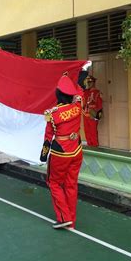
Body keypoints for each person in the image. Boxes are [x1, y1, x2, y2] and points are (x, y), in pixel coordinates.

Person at [40, 62, 90, 229]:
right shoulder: (77, 105)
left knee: (54, 183)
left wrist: (43, 155)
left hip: (60, 153)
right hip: (77, 149)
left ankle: (63, 218)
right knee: (71, 184)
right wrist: (83, 71)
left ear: (58, 94)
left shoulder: (53, 114)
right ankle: (72, 222)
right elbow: (81, 88)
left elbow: (48, 137)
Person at [82, 75, 103, 147]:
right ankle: (89, 145)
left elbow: (99, 105)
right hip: (85, 114)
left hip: (93, 114)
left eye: (90, 82)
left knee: (93, 132)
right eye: (88, 82)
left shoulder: (97, 92)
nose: (89, 83)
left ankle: (95, 146)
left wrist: (97, 117)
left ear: (94, 82)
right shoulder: (85, 92)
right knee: (87, 131)